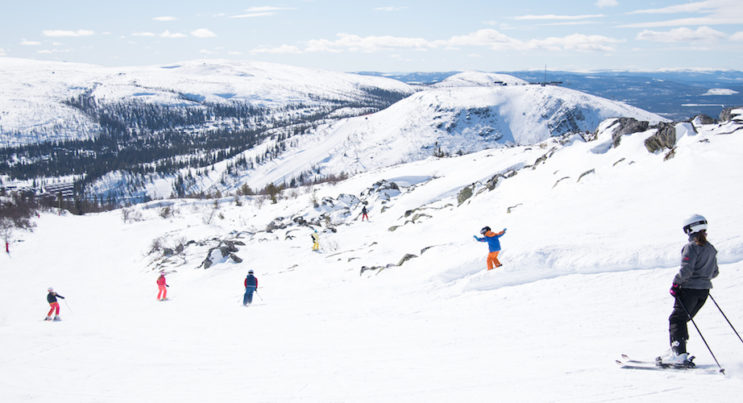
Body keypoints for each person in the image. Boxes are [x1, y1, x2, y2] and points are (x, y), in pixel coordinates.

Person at [660, 214, 719, 365]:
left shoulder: (691, 247)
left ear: (690, 229)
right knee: (683, 319)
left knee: (676, 319)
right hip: (704, 292)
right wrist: (702, 278)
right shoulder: (711, 249)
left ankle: (679, 355)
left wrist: (675, 284)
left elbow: (686, 270)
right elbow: (714, 272)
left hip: (689, 290)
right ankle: (678, 349)